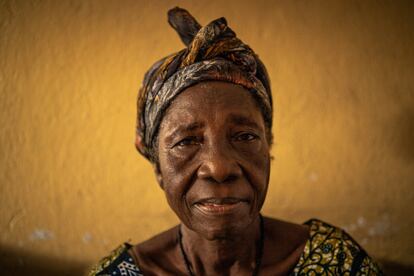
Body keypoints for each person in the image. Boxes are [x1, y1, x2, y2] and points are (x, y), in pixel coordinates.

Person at [89, 7, 383, 276]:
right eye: (186, 142)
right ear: (158, 168)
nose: (218, 168)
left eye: (244, 136)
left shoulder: (339, 263)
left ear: (268, 149)